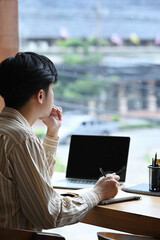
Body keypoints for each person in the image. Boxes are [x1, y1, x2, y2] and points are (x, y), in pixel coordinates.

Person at [0, 52, 120, 231]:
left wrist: (52, 133)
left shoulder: (7, 130)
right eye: (52, 88)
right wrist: (97, 193)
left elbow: (37, 186)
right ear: (41, 95)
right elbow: (49, 215)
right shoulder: (22, 138)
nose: (53, 95)